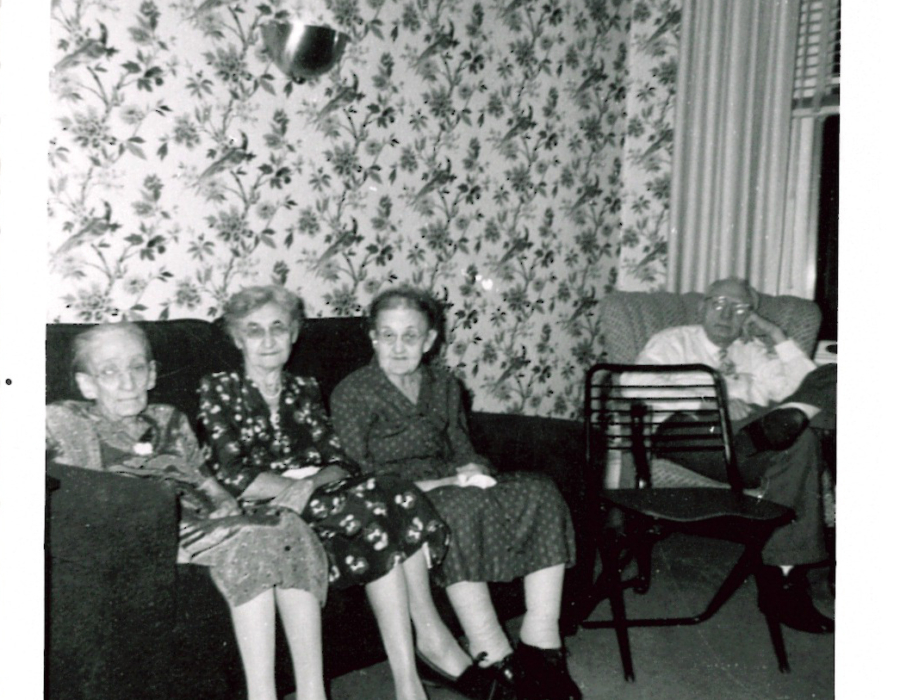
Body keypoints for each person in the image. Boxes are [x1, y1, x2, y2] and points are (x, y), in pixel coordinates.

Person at [198, 285, 492, 700]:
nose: (268, 341)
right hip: (258, 505)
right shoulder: (219, 389)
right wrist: (291, 489)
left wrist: (307, 486)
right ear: (236, 337)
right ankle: (413, 680)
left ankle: (408, 679)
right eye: (254, 330)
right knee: (381, 507)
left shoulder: (304, 388)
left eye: (278, 328)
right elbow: (230, 472)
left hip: (314, 497)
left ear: (294, 333)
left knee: (384, 498)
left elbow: (340, 462)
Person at [45, 323, 330, 700]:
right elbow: (77, 501)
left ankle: (313, 693)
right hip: (147, 537)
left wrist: (233, 510)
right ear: (87, 384)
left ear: (152, 373)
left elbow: (209, 485)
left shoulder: (169, 419)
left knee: (285, 524)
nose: (128, 382)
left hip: (200, 525)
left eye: (137, 367)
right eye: (109, 372)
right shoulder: (70, 422)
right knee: (255, 543)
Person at [331, 286, 582, 700]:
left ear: (429, 341)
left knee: (540, 490)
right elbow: (359, 474)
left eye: (410, 336)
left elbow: (461, 445)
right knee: (460, 505)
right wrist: (450, 483)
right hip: (396, 494)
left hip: (450, 478)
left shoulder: (443, 383)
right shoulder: (352, 393)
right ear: (373, 338)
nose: (398, 347)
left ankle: (542, 642)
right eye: (387, 336)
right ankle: (492, 651)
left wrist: (473, 467)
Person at [628, 277, 836, 634]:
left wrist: (775, 335)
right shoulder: (673, 342)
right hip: (688, 436)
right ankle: (783, 581)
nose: (726, 313)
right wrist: (713, 401)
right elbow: (633, 385)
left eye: (739, 308)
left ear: (749, 317)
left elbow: (807, 381)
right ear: (703, 306)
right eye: (718, 302)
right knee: (798, 433)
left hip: (751, 441)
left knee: (827, 388)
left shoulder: (752, 351)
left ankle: (782, 580)